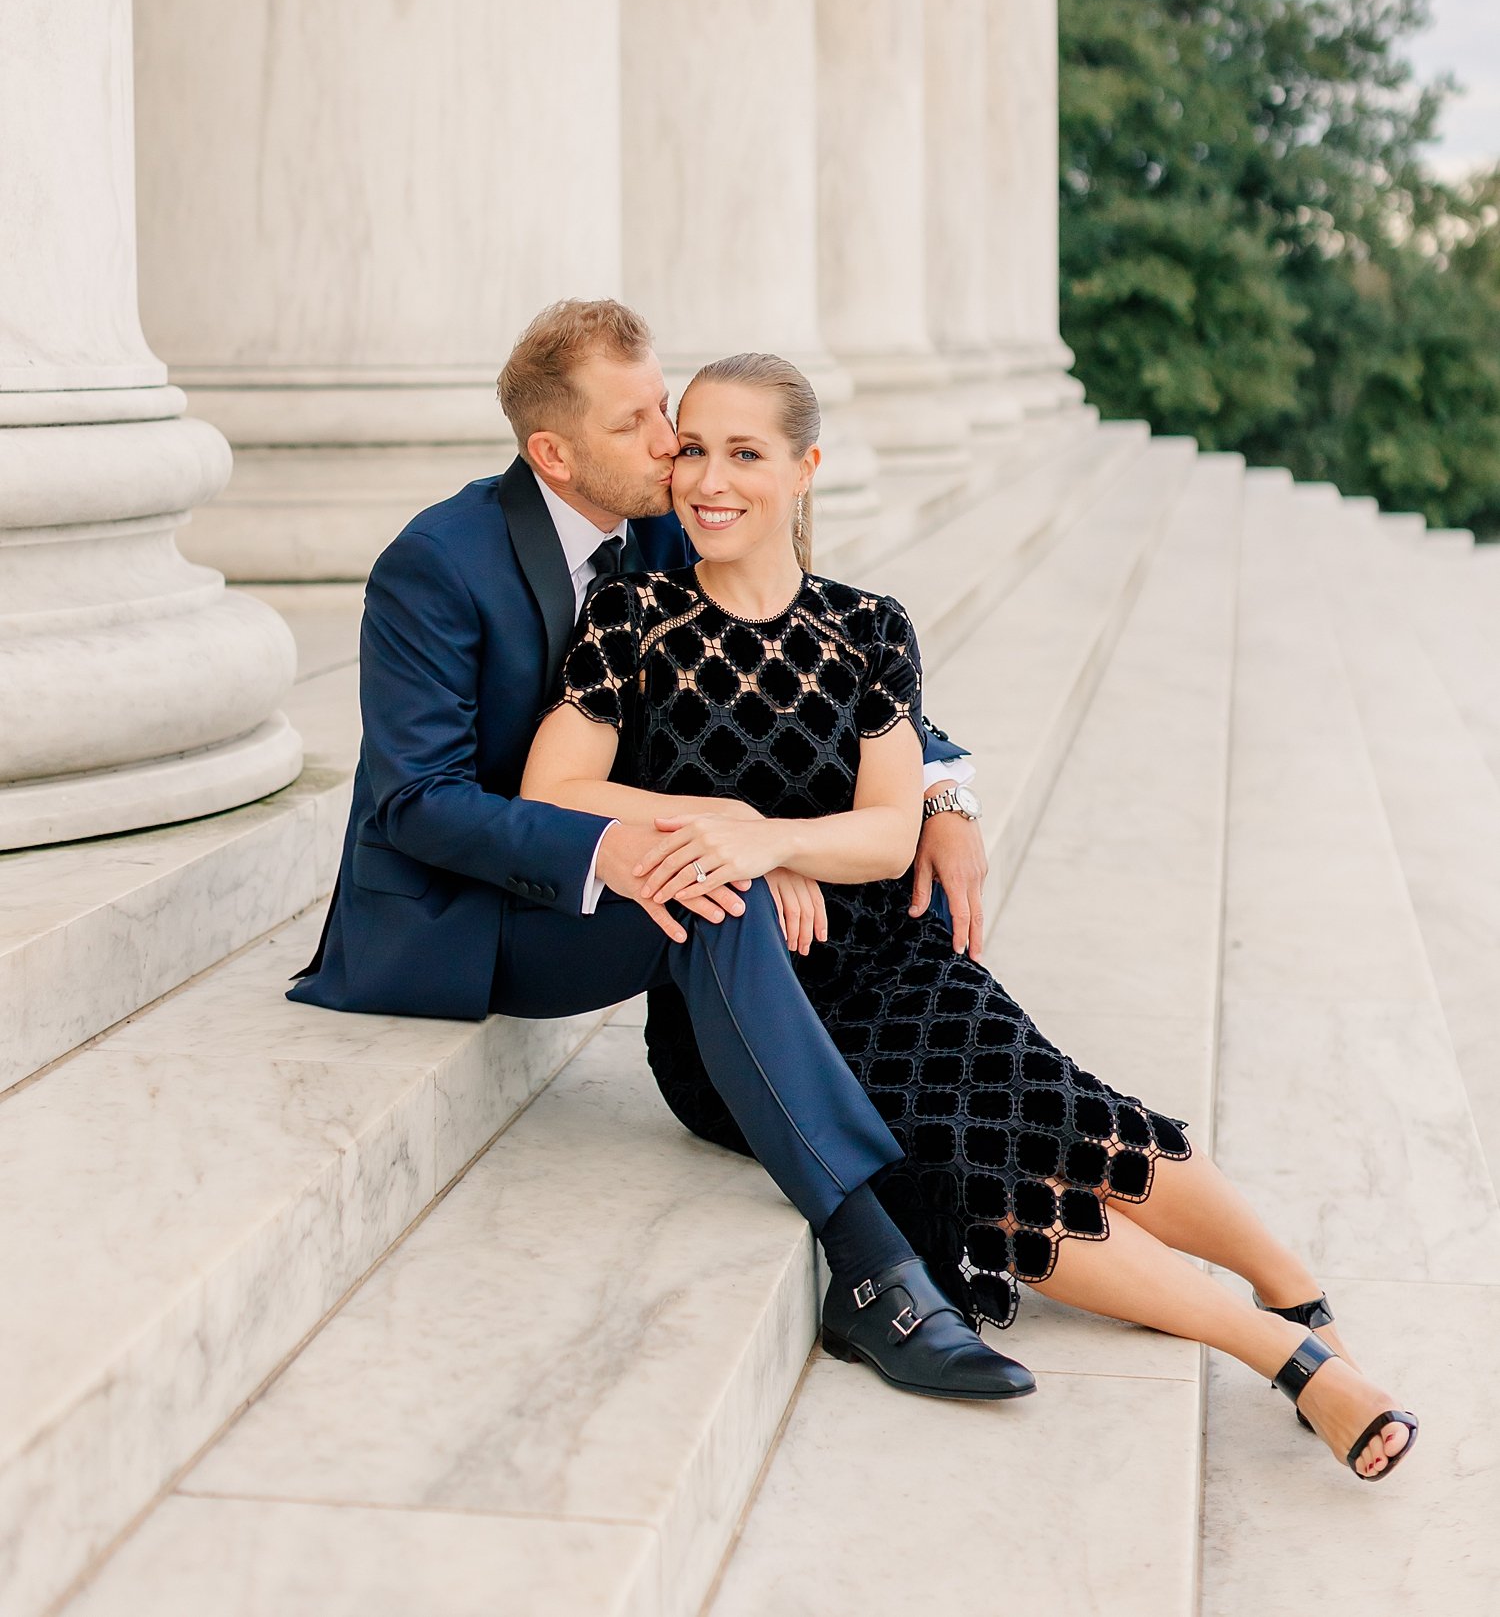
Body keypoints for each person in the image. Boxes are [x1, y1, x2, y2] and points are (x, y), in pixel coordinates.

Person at [522, 349, 1420, 1483]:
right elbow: (553, 793)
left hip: (894, 963)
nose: (709, 478)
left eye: (745, 453)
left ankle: (1294, 1286)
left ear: (805, 470)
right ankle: (1287, 1357)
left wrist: (782, 842)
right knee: (976, 1174)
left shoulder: (865, 629)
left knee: (1054, 1105)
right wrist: (731, 828)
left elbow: (892, 832)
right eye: (692, 447)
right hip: (743, 1016)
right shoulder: (634, 610)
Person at [288, 299, 1032, 1404]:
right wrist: (625, 847)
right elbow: (415, 805)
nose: (675, 444)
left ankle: (950, 1127)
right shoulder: (433, 565)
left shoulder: (662, 522)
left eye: (668, 407)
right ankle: (876, 1263)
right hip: (464, 917)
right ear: (554, 452)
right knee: (717, 889)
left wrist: (945, 790)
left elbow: (823, 668)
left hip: (620, 863)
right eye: (642, 422)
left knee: (845, 875)